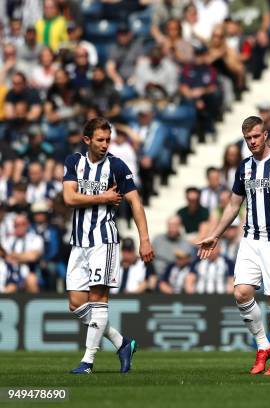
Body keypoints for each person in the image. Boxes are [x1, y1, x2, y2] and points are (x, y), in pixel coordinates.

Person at [197, 116, 270, 376]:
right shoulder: (244, 168)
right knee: (241, 293)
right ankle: (262, 345)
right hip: (251, 239)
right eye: (248, 138)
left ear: (265, 135)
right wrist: (216, 234)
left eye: (256, 136)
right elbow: (234, 205)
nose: (252, 142)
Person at [62, 117, 154, 374]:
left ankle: (88, 361)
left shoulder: (116, 165)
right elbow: (69, 197)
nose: (105, 145)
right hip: (79, 241)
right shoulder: (74, 162)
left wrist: (144, 239)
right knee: (76, 303)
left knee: (98, 299)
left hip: (105, 240)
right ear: (87, 140)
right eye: (100, 140)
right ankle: (122, 342)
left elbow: (135, 202)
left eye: (108, 140)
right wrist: (103, 197)